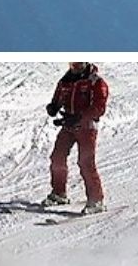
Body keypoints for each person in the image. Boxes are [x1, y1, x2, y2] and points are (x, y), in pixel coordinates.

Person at [44, 62, 109, 214]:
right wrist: (53, 107)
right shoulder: (65, 81)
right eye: (72, 63)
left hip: (87, 127)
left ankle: (96, 200)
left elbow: (99, 107)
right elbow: (58, 99)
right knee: (57, 158)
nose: (75, 67)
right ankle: (59, 193)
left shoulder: (95, 82)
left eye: (78, 64)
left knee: (85, 162)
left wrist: (79, 117)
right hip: (68, 126)